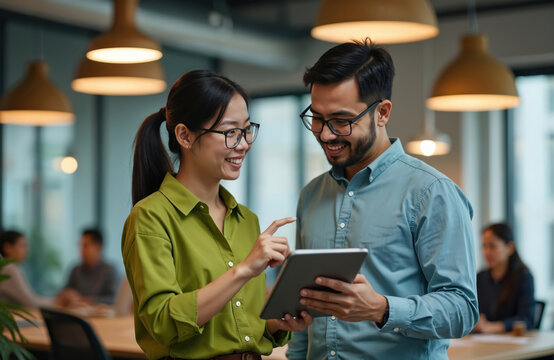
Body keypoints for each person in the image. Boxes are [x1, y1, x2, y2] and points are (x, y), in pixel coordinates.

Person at [286, 39, 479, 359]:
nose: (325, 134)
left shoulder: (431, 192)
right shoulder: (311, 195)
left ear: (382, 113)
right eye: (317, 118)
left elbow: (462, 309)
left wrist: (382, 309)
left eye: (341, 120)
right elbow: (307, 321)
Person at [121, 70, 312, 360]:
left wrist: (277, 322)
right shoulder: (150, 217)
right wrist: (243, 270)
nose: (244, 143)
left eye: (247, 129)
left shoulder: (247, 220)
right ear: (184, 135)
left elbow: (243, 325)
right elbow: (162, 323)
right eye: (230, 132)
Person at [474, 223, 535, 333]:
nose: (487, 252)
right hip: (483, 342)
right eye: (484, 246)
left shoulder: (524, 277)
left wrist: (491, 327)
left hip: (513, 343)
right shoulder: (480, 277)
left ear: (510, 248)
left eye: (492, 246)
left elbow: (526, 320)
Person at [58, 229, 118, 305]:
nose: (82, 250)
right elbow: (63, 292)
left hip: (98, 316)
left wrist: (83, 300)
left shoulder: (109, 271)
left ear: (99, 247)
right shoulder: (76, 270)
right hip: (75, 314)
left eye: (86, 246)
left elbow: (113, 299)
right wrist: (66, 296)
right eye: (80, 245)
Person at [0, 230, 55, 308]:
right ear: (7, 247)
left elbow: (32, 298)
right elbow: (31, 303)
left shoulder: (7, 267)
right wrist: (57, 302)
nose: (27, 251)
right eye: (22, 246)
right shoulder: (9, 268)